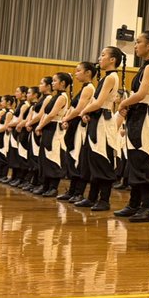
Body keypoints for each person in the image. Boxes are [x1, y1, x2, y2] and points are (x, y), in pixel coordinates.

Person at [117, 32, 149, 223]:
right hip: (137, 115)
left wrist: (123, 104)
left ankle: (147, 207)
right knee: (135, 160)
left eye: (138, 42)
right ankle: (134, 203)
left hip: (145, 116)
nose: (135, 46)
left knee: (144, 159)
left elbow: (142, 93)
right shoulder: (145, 67)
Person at [75, 46, 124, 211]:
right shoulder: (106, 77)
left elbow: (98, 102)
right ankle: (92, 197)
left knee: (103, 159)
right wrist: (87, 112)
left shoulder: (111, 77)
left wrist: (83, 111)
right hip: (96, 120)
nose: (99, 58)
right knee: (93, 159)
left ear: (112, 60)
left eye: (103, 55)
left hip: (103, 121)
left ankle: (104, 199)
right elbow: (94, 102)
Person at [58, 62, 96, 202]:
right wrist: (67, 118)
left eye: (79, 71)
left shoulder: (89, 88)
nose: (76, 73)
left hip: (80, 127)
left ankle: (79, 192)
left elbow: (79, 109)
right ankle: (73, 190)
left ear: (88, 73)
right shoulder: (84, 88)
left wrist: (65, 118)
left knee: (78, 159)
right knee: (72, 158)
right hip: (74, 125)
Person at [35, 73, 71, 198]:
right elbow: (45, 114)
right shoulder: (55, 97)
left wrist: (39, 126)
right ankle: (45, 185)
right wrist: (42, 126)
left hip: (55, 128)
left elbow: (52, 115)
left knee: (53, 157)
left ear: (62, 83)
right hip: (48, 127)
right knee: (44, 156)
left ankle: (53, 187)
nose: (53, 83)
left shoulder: (62, 97)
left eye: (55, 81)